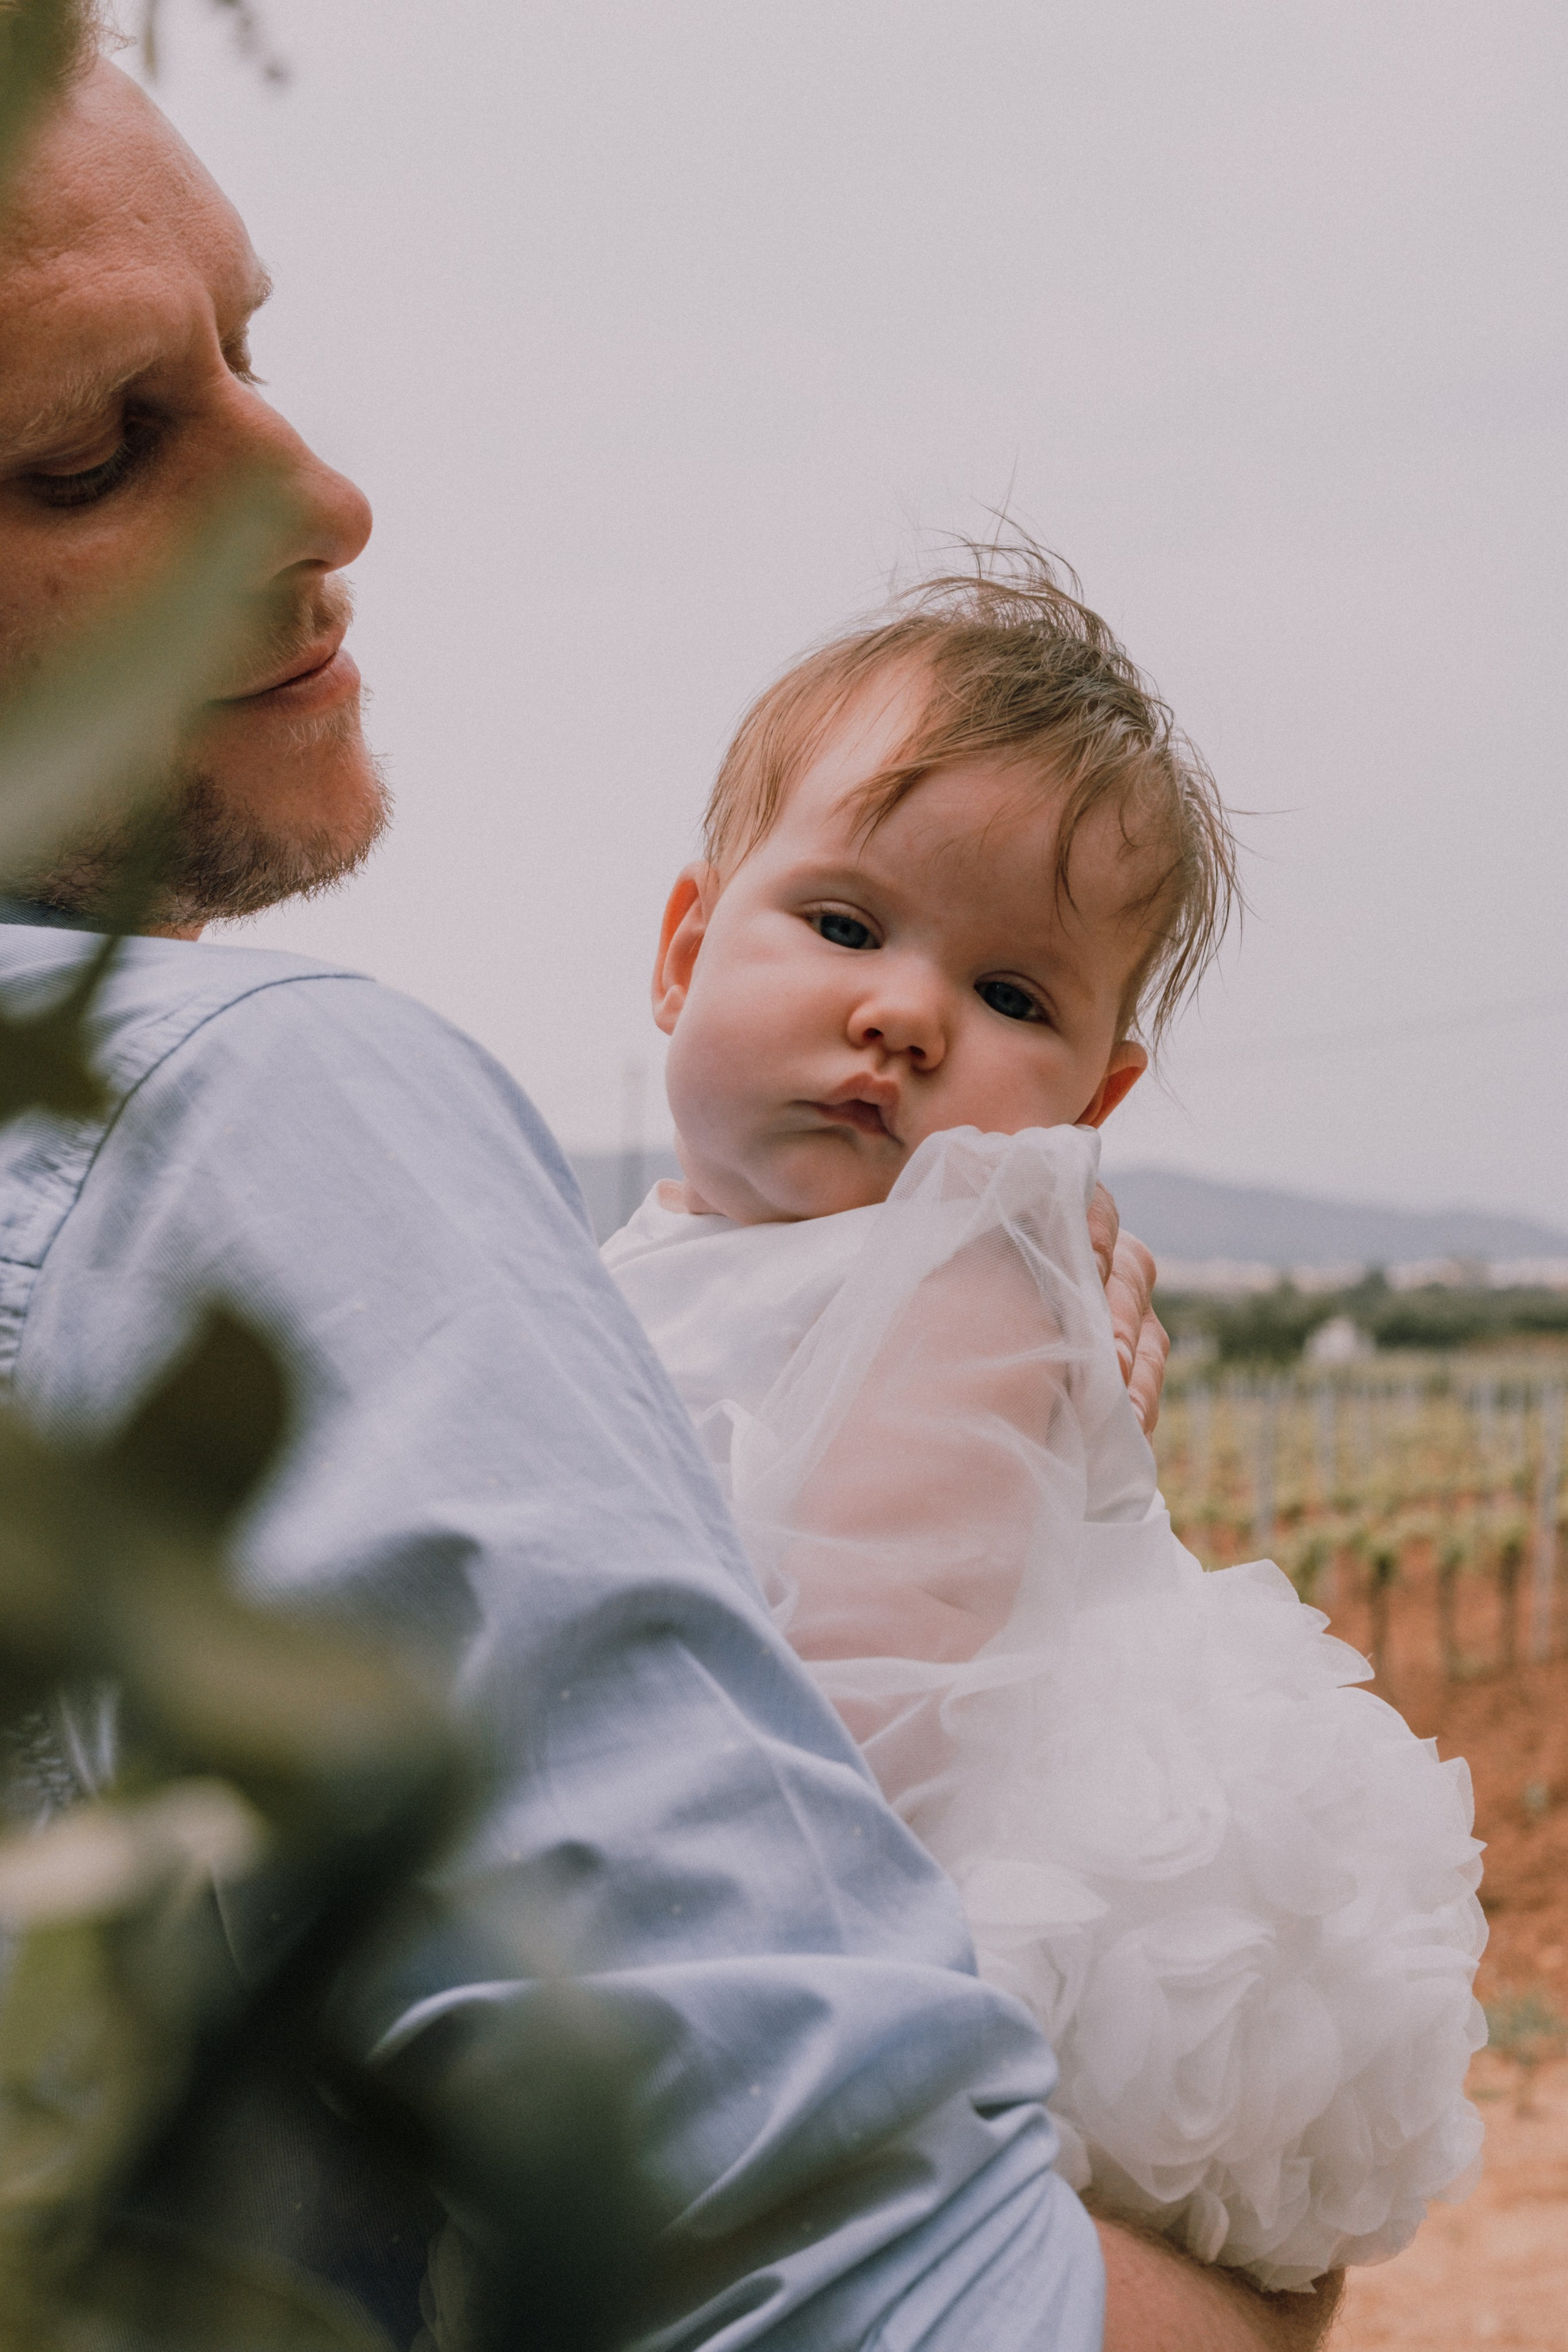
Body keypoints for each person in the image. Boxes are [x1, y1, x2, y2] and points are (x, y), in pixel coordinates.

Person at [0, 19, 1341, 2350]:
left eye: (253, 354)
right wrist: (1264, 2314)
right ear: (683, 936)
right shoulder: (236, 1114)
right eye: (102, 447)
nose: (320, 499)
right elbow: (892, 2300)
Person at [604, 557, 1486, 2293]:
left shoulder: (978, 1280)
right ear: (687, 948)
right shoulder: (640, 1259)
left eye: (1015, 997)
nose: (907, 1015)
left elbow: (871, 1689)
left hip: (933, 1900)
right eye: (847, 925)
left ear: (1096, 1097)